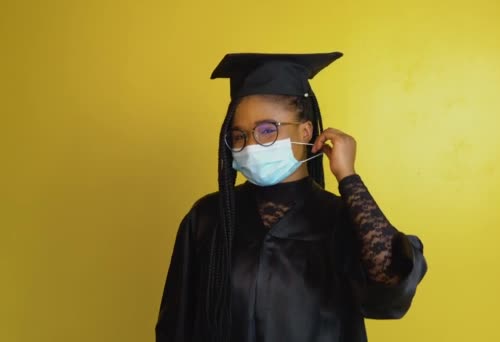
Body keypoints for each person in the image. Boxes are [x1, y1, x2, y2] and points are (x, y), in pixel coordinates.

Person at [155, 52, 427, 342]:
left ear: (306, 131)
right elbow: (176, 326)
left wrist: (348, 177)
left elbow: (391, 283)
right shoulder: (209, 217)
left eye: (267, 130)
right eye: (239, 135)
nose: (251, 145)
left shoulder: (339, 218)